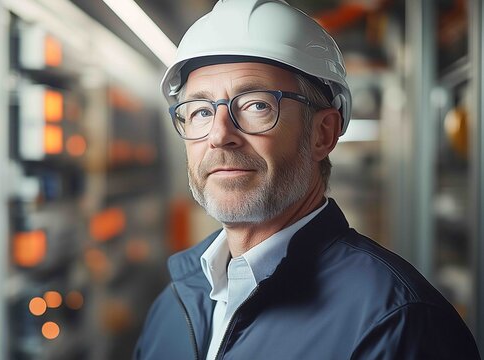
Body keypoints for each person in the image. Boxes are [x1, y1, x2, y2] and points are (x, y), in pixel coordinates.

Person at [134, 0, 481, 359]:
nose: (220, 135)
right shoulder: (174, 304)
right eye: (202, 111)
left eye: (256, 105)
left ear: (322, 133)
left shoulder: (398, 324)